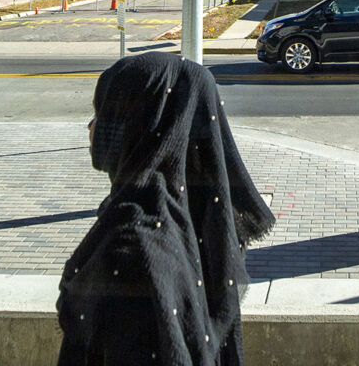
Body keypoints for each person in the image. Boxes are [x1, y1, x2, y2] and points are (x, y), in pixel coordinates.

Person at [58, 52, 275, 366]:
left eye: (105, 112)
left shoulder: (135, 250)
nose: (91, 125)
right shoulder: (203, 228)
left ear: (139, 127)